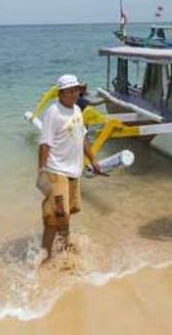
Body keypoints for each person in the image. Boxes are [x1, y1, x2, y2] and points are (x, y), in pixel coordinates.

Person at [37, 74, 101, 265]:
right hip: (56, 172)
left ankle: (64, 245)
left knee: (68, 212)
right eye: (70, 90)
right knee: (57, 214)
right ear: (60, 93)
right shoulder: (52, 113)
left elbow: (82, 138)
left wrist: (94, 159)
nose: (74, 94)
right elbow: (44, 145)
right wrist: (42, 171)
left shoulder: (77, 111)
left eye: (76, 90)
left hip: (74, 172)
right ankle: (45, 257)